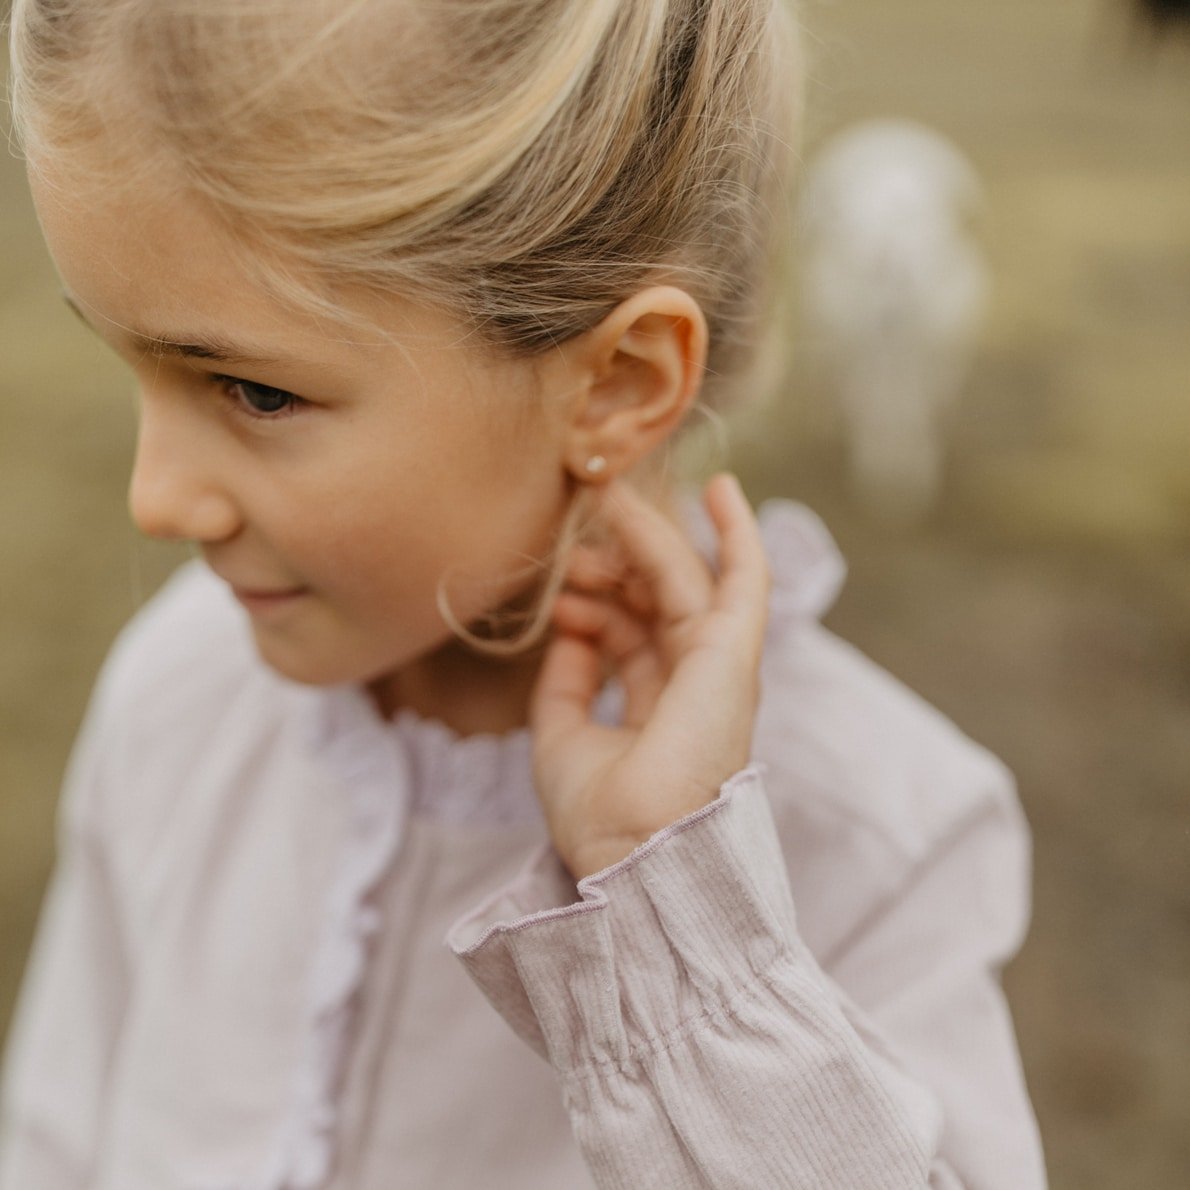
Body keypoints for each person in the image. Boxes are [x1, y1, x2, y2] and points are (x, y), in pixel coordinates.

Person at [0, 1, 1048, 1187]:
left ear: (616, 384)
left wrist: (679, 927)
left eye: (255, 391)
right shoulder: (179, 693)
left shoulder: (878, 838)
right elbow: (56, 1139)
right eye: (126, 361)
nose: (155, 497)